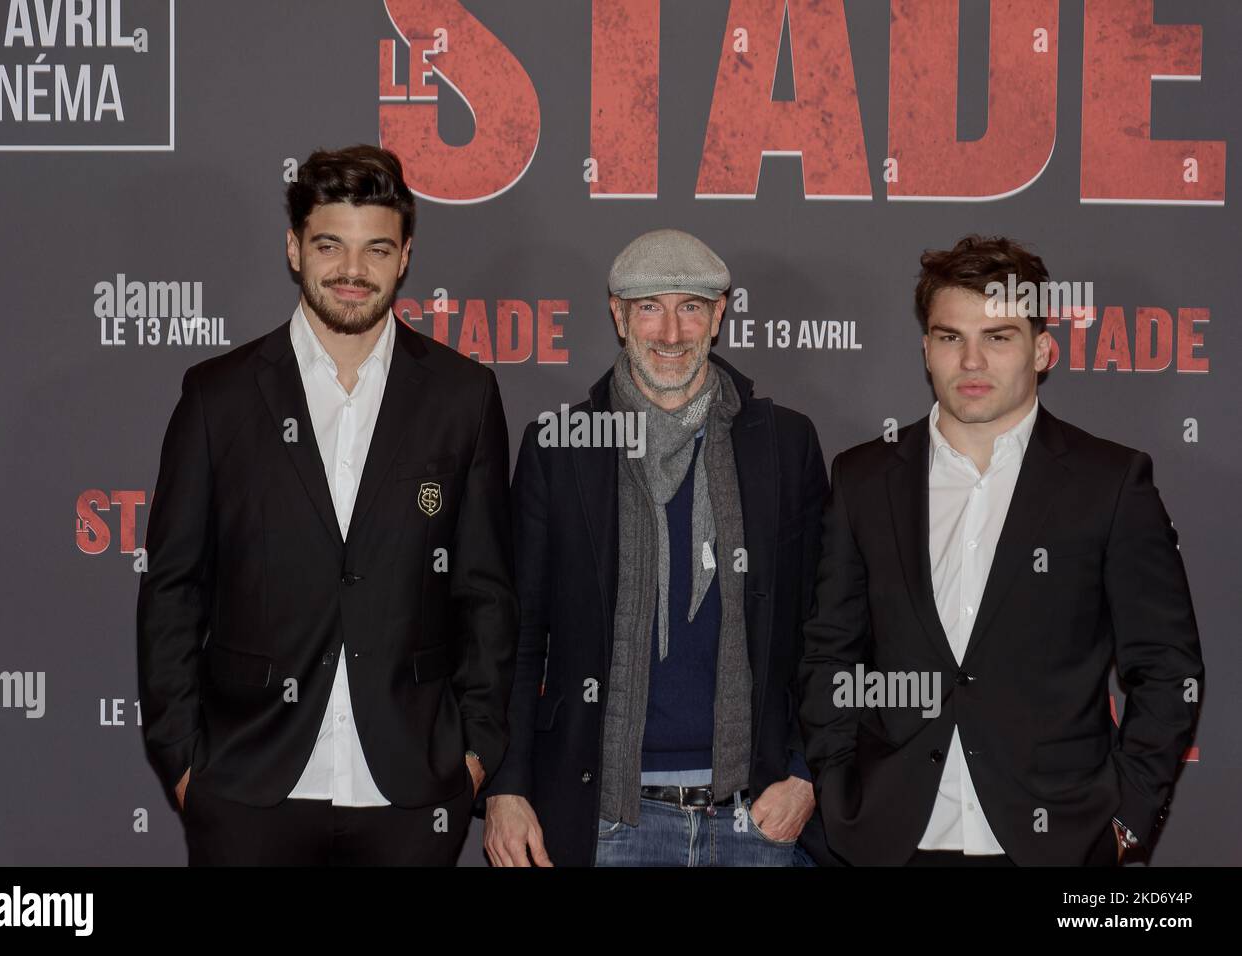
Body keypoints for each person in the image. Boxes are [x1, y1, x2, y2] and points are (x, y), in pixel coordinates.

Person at [137, 144, 518, 865]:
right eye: (329, 246)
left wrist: (472, 754)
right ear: (294, 248)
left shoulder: (462, 396)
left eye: (376, 248)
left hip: (410, 791)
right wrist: (186, 765)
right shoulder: (218, 396)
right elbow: (174, 590)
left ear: (405, 256)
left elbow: (486, 591)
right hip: (248, 786)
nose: (352, 271)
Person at [798, 235, 1203, 866]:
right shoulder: (862, 478)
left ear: (1042, 349)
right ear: (926, 348)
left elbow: (1168, 667)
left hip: (1057, 845)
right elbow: (829, 652)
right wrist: (837, 785)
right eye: (950, 336)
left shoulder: (1109, 482)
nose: (972, 361)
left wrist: (1124, 821)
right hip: (890, 840)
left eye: (999, 336)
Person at [483, 229, 828, 866]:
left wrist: (806, 775)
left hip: (755, 820)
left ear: (720, 314)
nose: (670, 333)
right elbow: (517, 637)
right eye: (649, 307)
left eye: (690, 307)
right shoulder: (561, 448)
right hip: (608, 820)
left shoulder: (785, 445)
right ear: (617, 315)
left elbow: (823, 630)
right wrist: (508, 787)